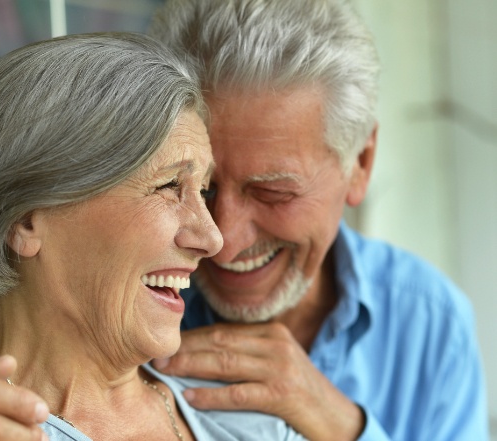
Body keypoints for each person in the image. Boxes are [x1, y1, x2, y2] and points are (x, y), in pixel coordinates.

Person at [146, 0, 489, 440]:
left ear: (360, 163)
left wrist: (341, 424)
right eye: (197, 189)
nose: (224, 240)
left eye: (274, 192)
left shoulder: (428, 321)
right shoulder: (122, 304)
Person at [0, 32, 309, 441]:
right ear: (26, 220)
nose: (213, 239)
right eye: (168, 186)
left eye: (203, 191)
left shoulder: (255, 424)